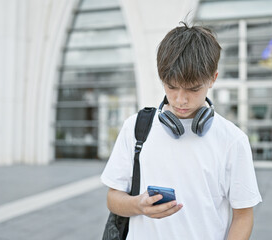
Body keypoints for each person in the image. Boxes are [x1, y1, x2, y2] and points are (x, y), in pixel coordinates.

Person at [101, 22, 262, 240]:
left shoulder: (232, 140)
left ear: (213, 79)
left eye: (193, 89)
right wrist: (138, 204)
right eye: (171, 86)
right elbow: (113, 198)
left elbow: (243, 216)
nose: (180, 99)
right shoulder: (136, 128)